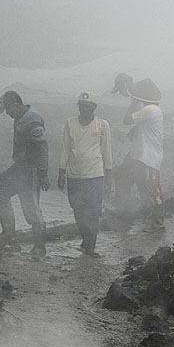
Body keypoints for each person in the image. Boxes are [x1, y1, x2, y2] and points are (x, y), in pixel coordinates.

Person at [0, 90, 51, 255]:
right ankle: (10, 237)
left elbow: (42, 147)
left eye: (8, 110)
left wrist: (43, 173)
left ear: (15, 105)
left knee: (30, 205)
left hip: (31, 169)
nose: (8, 114)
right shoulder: (18, 116)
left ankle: (39, 246)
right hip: (19, 166)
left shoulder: (33, 120)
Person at [58, 91, 113, 257]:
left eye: (87, 106)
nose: (83, 109)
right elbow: (66, 148)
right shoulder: (70, 123)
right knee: (78, 210)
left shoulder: (103, 125)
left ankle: (91, 247)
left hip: (95, 176)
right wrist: (61, 172)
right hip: (74, 176)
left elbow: (106, 151)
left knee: (94, 212)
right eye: (81, 106)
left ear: (93, 108)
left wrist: (109, 176)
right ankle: (85, 239)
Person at [114, 77, 165, 230]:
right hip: (138, 155)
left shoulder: (151, 110)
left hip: (148, 157)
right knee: (123, 177)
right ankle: (125, 211)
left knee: (152, 189)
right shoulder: (149, 110)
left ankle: (157, 221)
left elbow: (127, 119)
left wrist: (133, 101)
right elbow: (135, 131)